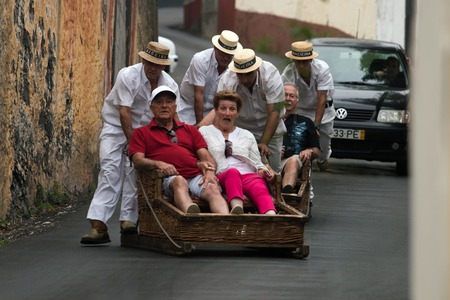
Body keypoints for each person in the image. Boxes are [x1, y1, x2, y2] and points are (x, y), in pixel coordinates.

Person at [80, 42, 180, 244]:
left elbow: (173, 114)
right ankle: (98, 225)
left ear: (164, 66)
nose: (153, 68)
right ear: (143, 60)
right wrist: (133, 144)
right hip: (116, 127)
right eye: (149, 63)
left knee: (137, 175)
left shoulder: (170, 85)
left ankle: (129, 221)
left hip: (147, 132)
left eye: (158, 64)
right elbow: (124, 112)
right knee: (110, 171)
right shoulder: (128, 75)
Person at [128, 86, 229, 214]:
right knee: (179, 181)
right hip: (165, 179)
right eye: (159, 102)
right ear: (152, 108)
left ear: (175, 107)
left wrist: (209, 172)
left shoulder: (189, 130)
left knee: (211, 187)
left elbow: (206, 157)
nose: (164, 105)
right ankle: (191, 218)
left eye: (169, 101)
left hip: (194, 176)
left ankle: (225, 223)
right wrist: (159, 164)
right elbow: (137, 160)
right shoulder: (141, 133)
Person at [199, 48, 286, 173]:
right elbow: (219, 110)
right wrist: (202, 129)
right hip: (242, 130)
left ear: (256, 68)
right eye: (240, 74)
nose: (244, 79)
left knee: (273, 171)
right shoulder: (228, 79)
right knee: (240, 167)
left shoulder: (270, 74)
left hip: (272, 127)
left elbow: (275, 112)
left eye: (248, 74)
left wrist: (264, 142)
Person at [199, 90, 277, 215]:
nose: (227, 113)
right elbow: (198, 155)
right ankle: (237, 209)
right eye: (223, 108)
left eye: (232, 109)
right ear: (216, 110)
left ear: (237, 113)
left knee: (259, 186)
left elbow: (257, 163)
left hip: (248, 174)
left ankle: (271, 218)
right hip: (222, 175)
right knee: (232, 173)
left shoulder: (247, 135)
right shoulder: (204, 132)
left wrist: (265, 170)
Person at [282, 41, 335, 171]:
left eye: (304, 61)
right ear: (293, 60)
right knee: (298, 138)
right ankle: (299, 165)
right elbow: (287, 97)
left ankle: (323, 159)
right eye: (298, 61)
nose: (301, 65)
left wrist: (315, 126)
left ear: (311, 59)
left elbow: (321, 98)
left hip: (324, 111)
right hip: (301, 109)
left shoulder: (322, 69)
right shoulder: (289, 72)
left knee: (324, 142)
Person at [177, 30, 242, 125]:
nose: (225, 58)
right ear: (215, 48)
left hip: (213, 112)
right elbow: (198, 94)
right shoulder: (200, 59)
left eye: (229, 55)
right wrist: (200, 125)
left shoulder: (234, 68)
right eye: (223, 54)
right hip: (187, 106)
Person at [281, 83, 321, 193]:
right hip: (267, 160)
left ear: (297, 101)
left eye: (292, 96)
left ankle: (286, 194)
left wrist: (309, 151)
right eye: (285, 95)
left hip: (290, 161)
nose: (288, 99)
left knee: (293, 160)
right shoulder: (267, 119)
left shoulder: (306, 122)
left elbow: (317, 151)